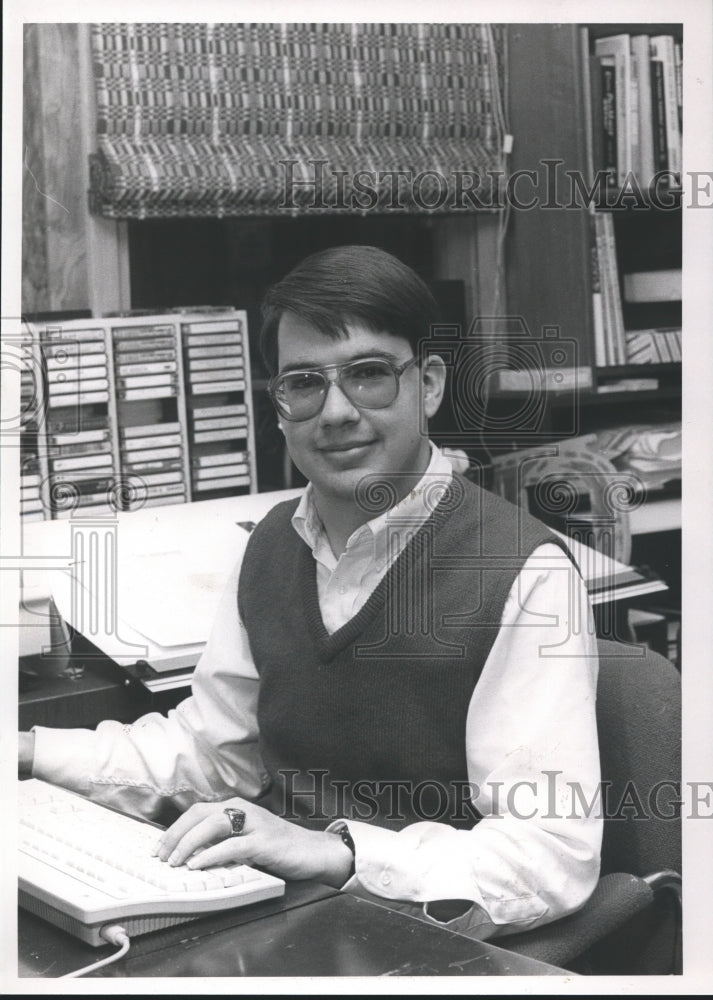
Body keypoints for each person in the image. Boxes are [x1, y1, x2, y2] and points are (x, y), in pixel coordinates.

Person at [19, 245, 601, 942]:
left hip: (424, 938)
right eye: (303, 383)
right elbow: (211, 755)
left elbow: (550, 852)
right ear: (279, 407)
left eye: (368, 375)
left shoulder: (524, 573)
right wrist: (26, 749)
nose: (335, 412)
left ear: (431, 384)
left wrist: (338, 852)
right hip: (282, 913)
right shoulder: (271, 542)